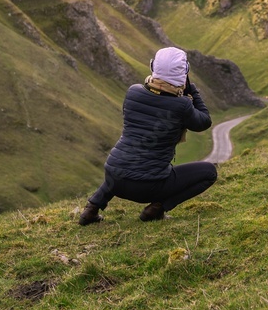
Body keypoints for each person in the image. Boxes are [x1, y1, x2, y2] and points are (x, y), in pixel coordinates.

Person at [79, 46, 218, 224]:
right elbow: (204, 121)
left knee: (127, 160)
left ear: (153, 67)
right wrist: (193, 90)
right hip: (146, 187)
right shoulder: (182, 106)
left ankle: (91, 208)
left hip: (112, 175)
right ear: (185, 73)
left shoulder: (133, 92)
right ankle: (157, 208)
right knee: (209, 172)